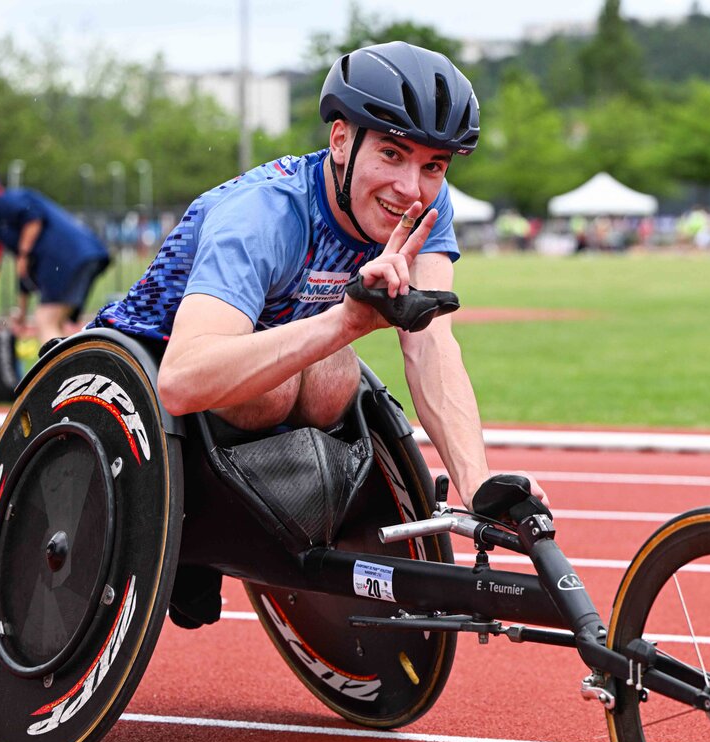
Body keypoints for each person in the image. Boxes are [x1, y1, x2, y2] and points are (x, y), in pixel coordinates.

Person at [90, 41, 547, 515]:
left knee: (334, 377)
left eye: (433, 165)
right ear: (341, 141)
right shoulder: (262, 214)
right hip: (143, 371)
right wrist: (345, 323)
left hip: (269, 367)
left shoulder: (428, 205)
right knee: (278, 389)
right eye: (392, 153)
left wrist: (475, 481)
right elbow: (182, 380)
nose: (410, 188)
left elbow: (431, 343)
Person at [0, 180, 111, 344]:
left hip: (67, 257)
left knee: (45, 320)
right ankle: (74, 359)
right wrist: (22, 312)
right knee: (56, 323)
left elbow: (33, 216)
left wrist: (23, 253)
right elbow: (23, 272)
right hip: (86, 254)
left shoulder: (0, 203)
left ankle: (59, 361)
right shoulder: (13, 223)